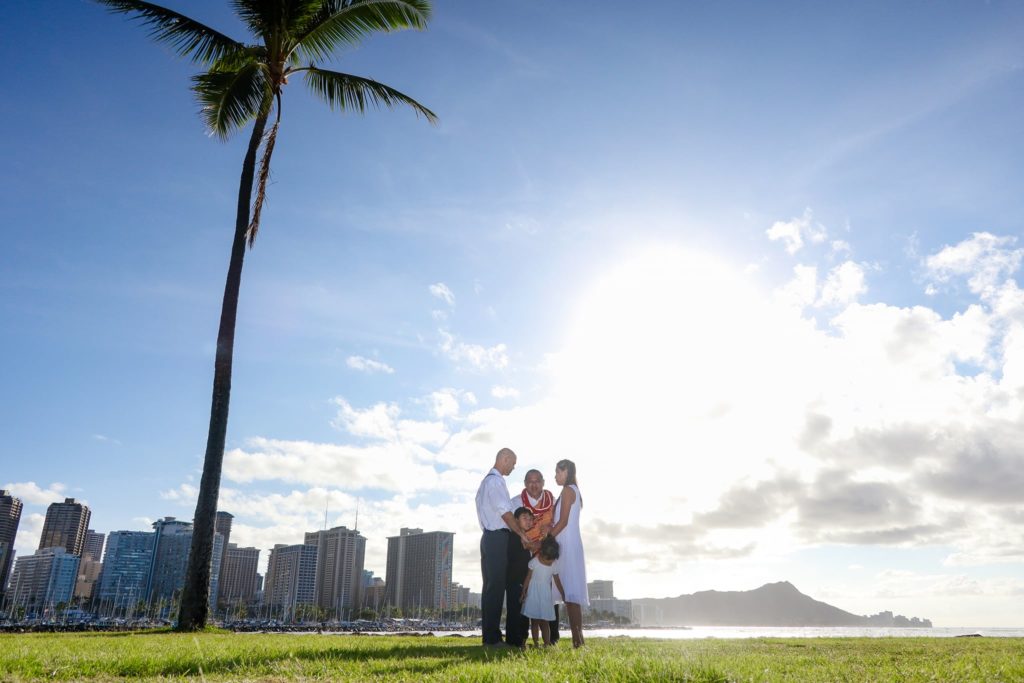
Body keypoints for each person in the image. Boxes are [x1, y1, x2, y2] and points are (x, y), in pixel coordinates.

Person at [474, 447, 533, 648]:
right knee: (496, 588)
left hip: (490, 538)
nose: (513, 467)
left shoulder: (487, 482)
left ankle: (490, 637)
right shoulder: (495, 482)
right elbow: (506, 514)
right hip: (497, 538)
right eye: (513, 463)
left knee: (491, 588)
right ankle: (492, 639)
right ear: (504, 458)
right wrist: (522, 534)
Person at [516, 468, 561, 644]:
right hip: (525, 553)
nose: (533, 485)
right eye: (530, 481)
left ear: (543, 482)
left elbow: (561, 521)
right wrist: (526, 541)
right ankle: (522, 637)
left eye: (537, 481)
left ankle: (553, 638)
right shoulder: (517, 501)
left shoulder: (553, 501)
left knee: (550, 596)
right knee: (527, 595)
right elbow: (512, 523)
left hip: (548, 554)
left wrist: (550, 527)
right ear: (525, 484)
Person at [550, 458, 588, 648]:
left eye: (558, 472)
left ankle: (577, 641)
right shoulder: (573, 490)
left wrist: (547, 538)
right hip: (568, 543)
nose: (555, 476)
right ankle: (578, 640)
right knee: (570, 595)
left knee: (570, 595)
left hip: (567, 544)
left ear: (566, 472)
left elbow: (563, 521)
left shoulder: (567, 490)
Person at [521, 535, 566, 647]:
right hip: (533, 594)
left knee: (545, 621)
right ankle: (536, 643)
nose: (550, 562)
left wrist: (563, 593)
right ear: (541, 553)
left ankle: (546, 643)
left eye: (552, 560)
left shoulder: (554, 565)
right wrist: (523, 591)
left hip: (545, 595)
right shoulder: (534, 562)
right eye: (548, 559)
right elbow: (528, 578)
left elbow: (557, 581)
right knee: (534, 621)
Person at [504, 507, 535, 648]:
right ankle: (513, 641)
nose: (528, 521)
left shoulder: (525, 538)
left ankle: (521, 640)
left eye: (530, 519)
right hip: (515, 581)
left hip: (523, 582)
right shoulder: (513, 537)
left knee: (523, 612)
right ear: (516, 520)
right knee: (515, 611)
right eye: (524, 518)